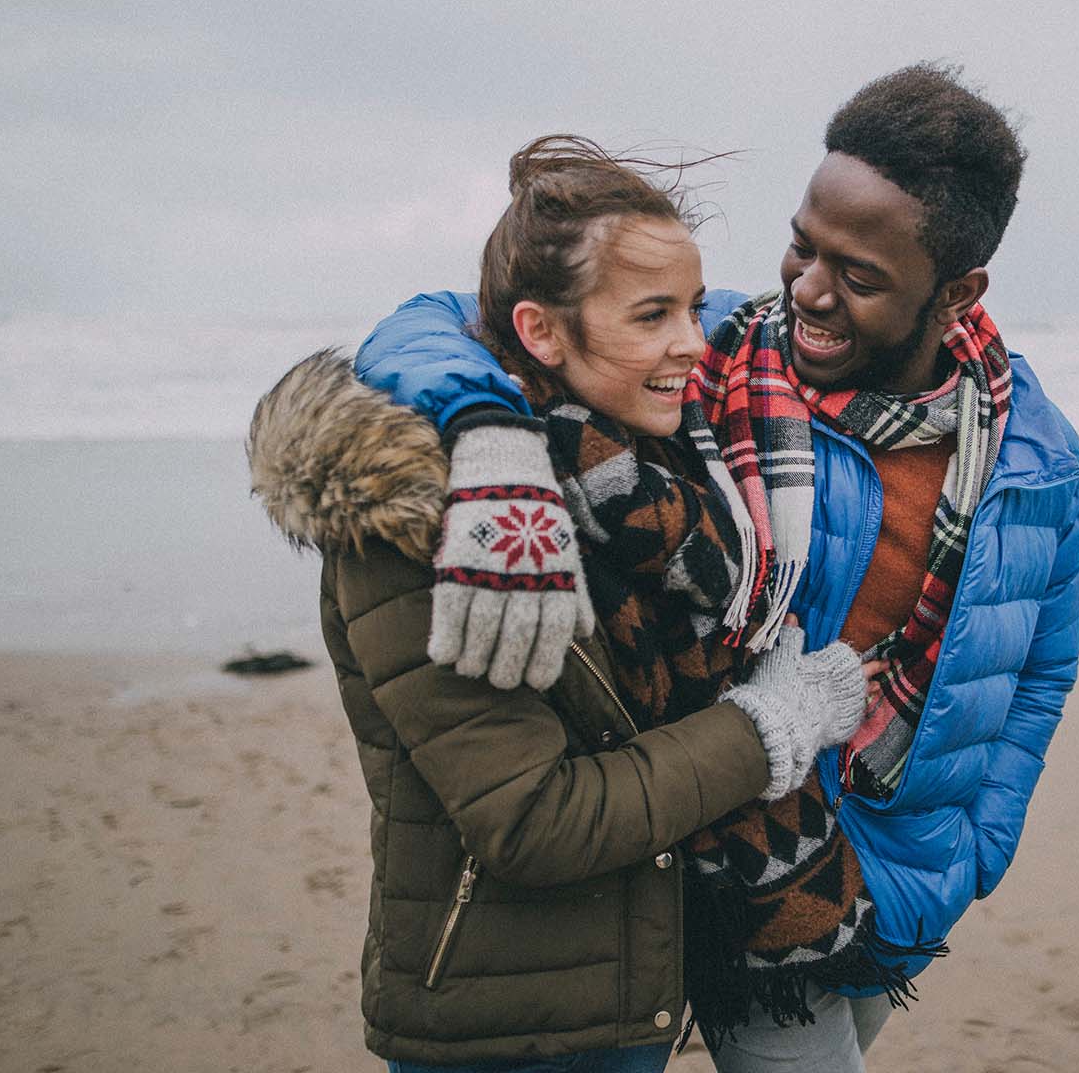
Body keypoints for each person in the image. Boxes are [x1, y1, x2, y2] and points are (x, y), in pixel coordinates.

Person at [354, 63, 1079, 1072]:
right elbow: (441, 318)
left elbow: (1038, 675)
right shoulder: (722, 359)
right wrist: (489, 439)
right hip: (725, 850)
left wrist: (970, 858)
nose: (809, 290)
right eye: (803, 245)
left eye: (860, 276)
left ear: (957, 292)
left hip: (894, 879)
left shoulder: (1035, 459)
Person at [247, 135, 878, 1072]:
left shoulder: (663, 469)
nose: (691, 345)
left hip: (628, 992)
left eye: (694, 309)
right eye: (652, 314)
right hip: (500, 1020)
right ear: (541, 332)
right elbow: (535, 822)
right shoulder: (437, 523)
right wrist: (769, 729)